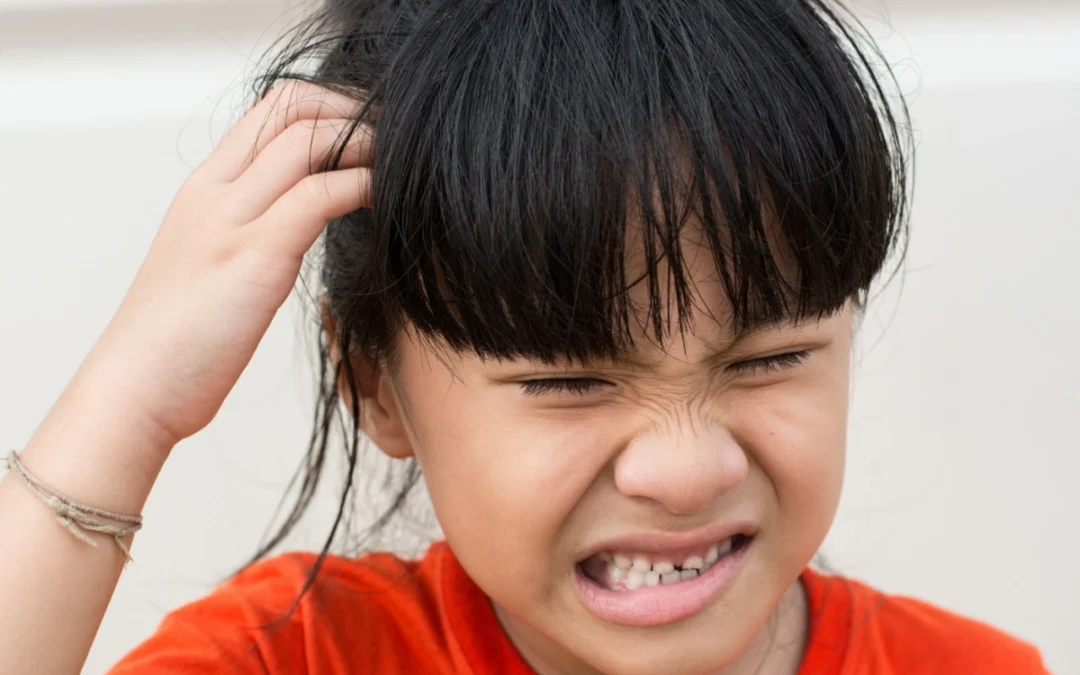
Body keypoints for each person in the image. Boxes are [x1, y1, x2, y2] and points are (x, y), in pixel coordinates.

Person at [0, 1, 1050, 673]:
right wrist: (130, 403)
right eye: (570, 380)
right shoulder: (296, 660)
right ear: (375, 386)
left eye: (770, 359)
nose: (684, 470)